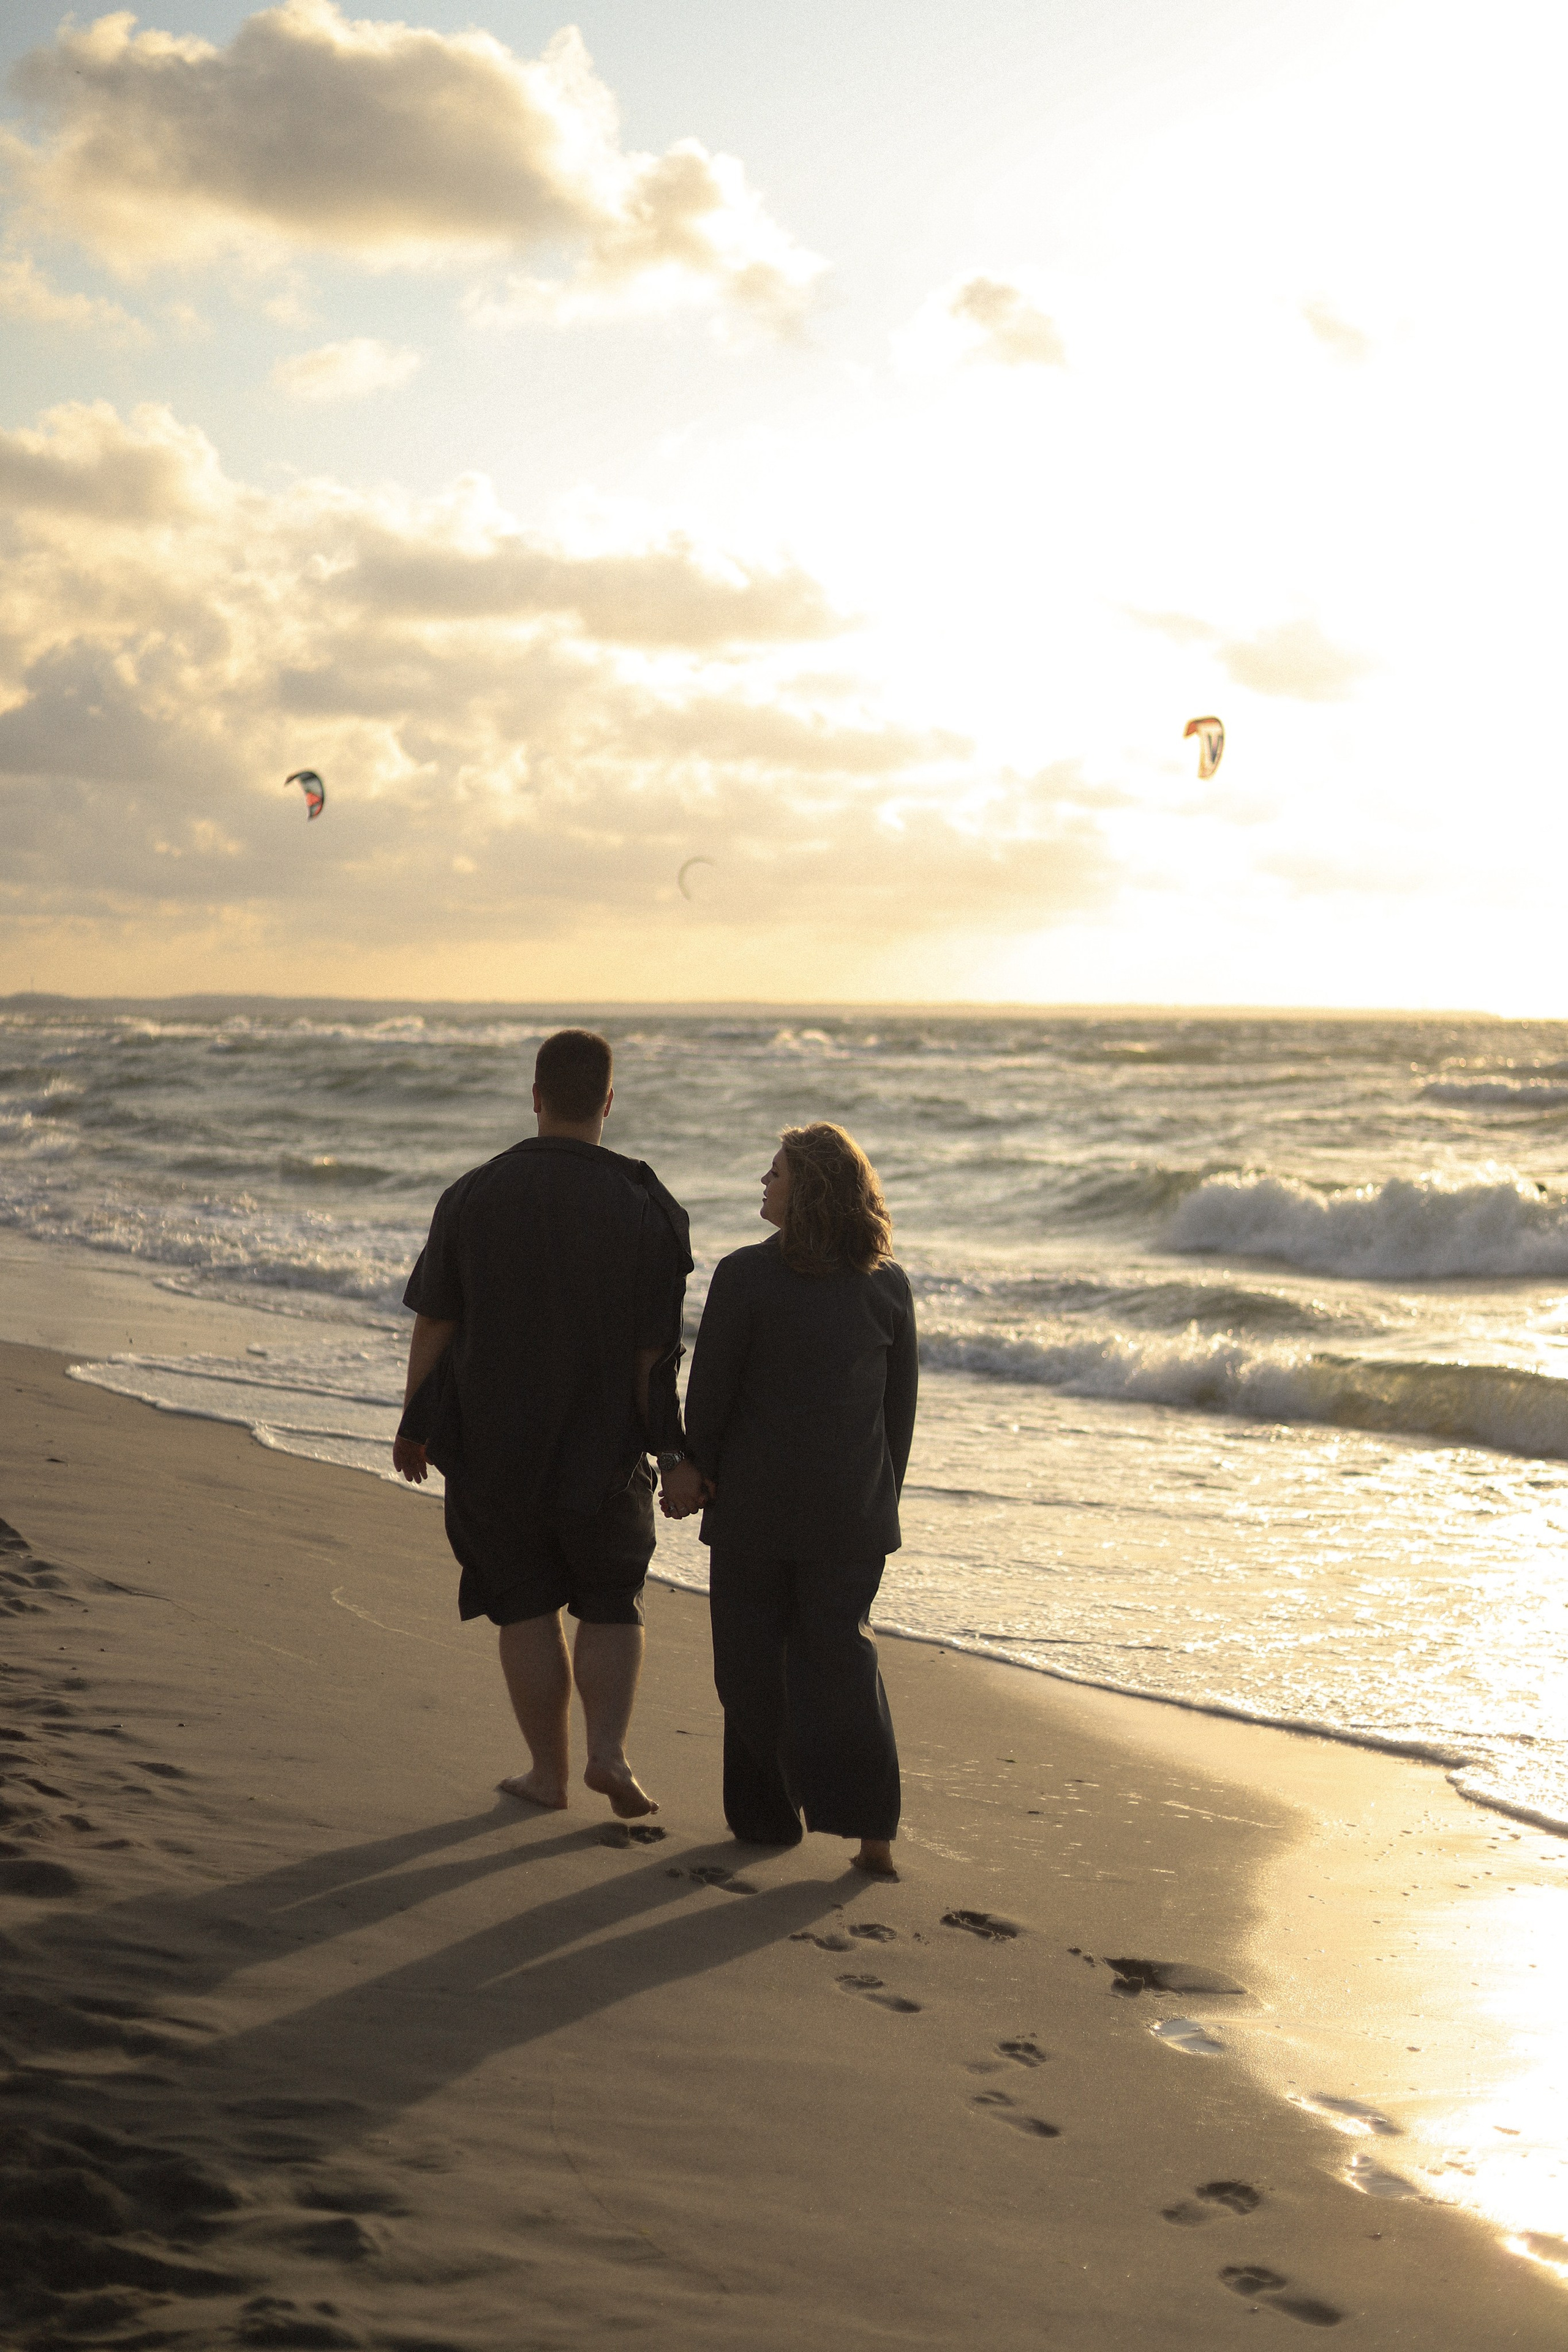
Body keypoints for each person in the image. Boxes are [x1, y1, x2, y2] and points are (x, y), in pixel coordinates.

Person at [394, 1028, 692, 1820]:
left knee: (522, 1601)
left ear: (535, 1098)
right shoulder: (647, 1205)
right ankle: (609, 1754)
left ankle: (546, 1776)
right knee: (610, 1596)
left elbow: (437, 1325)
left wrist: (412, 1423)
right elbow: (653, 1354)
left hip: (492, 1440)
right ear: (607, 1102)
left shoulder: (472, 1195)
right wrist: (665, 1448)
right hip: (604, 1443)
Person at [662, 1123, 917, 1878]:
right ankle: (768, 1818)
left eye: (774, 1175)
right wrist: (696, 1466)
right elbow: (713, 1393)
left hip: (830, 1518)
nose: (762, 1185)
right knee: (757, 1669)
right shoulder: (749, 1274)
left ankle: (871, 1832)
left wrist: (879, 1503)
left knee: (827, 1663)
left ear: (808, 1189)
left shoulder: (882, 1284)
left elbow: (895, 1414)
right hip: (765, 1511)